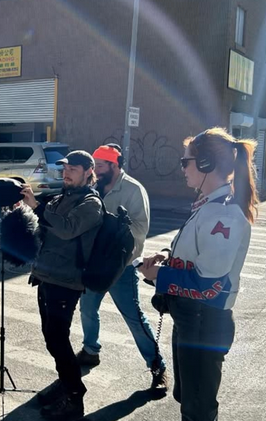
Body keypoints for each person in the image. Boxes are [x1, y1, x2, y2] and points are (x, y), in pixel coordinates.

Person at [139, 127, 258, 421]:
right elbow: (196, 251)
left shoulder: (224, 214)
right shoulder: (210, 205)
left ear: (206, 164)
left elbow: (208, 283)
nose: (182, 168)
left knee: (198, 408)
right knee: (187, 397)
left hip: (204, 319)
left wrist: (158, 276)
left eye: (186, 161)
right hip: (192, 317)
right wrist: (167, 256)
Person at [76, 143, 168, 390]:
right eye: (94, 166)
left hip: (121, 267)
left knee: (134, 319)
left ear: (114, 165)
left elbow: (140, 229)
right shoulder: (94, 187)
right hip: (94, 264)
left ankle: (158, 366)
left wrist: (111, 228)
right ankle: (90, 351)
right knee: (87, 309)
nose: (96, 170)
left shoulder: (133, 189)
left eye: (100, 166)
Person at [21, 150, 104, 421]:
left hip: (67, 281)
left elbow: (67, 229)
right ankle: (66, 383)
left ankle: (74, 396)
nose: (66, 173)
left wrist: (37, 207)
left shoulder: (91, 204)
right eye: (65, 168)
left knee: (57, 338)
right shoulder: (61, 197)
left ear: (88, 172)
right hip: (47, 275)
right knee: (52, 337)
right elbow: (45, 228)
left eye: (73, 170)